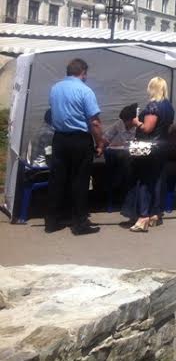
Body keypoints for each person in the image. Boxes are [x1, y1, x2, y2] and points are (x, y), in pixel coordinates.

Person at [46, 58, 105, 235]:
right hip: (79, 139)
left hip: (59, 138)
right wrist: (100, 142)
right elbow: (94, 122)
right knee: (80, 181)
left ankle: (52, 221)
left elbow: (53, 112)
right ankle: (80, 223)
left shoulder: (55, 89)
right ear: (83, 72)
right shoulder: (85, 91)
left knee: (57, 180)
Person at [126, 77, 175, 232]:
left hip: (149, 149)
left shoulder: (153, 106)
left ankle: (143, 217)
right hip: (162, 147)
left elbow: (147, 128)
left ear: (152, 88)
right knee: (158, 180)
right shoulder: (169, 106)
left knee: (144, 181)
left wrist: (136, 122)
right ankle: (155, 213)